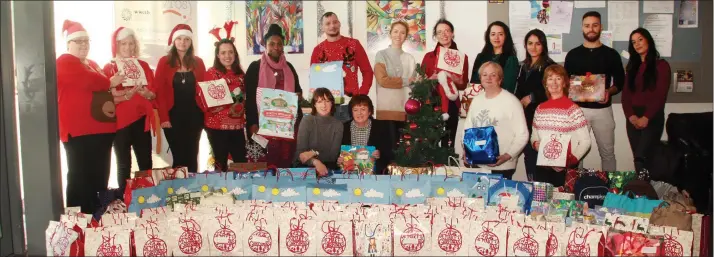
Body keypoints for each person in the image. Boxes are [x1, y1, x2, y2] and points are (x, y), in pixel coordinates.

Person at [57, 20, 122, 213]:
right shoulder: (64, 62)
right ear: (69, 43)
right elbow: (93, 82)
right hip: (79, 132)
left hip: (102, 131)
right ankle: (77, 219)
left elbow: (101, 89)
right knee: (79, 177)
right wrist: (109, 81)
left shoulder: (92, 64)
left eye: (86, 41)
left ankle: (96, 215)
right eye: (79, 41)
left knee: (99, 176)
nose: (84, 44)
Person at [564, 11, 625, 172]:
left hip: (603, 111)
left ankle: (611, 192)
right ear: (582, 28)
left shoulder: (611, 54)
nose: (591, 29)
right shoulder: (572, 55)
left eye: (595, 25)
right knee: (577, 153)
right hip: (578, 111)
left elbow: (620, 83)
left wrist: (609, 92)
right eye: (587, 25)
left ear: (601, 27)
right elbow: (565, 84)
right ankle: (576, 189)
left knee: (608, 153)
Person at [102, 27, 156, 189]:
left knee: (145, 162)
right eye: (123, 44)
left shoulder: (144, 66)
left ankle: (147, 197)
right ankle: (124, 198)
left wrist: (146, 93)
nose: (128, 47)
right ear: (117, 45)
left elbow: (153, 95)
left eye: (131, 43)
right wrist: (122, 93)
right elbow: (106, 99)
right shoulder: (109, 68)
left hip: (141, 120)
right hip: (120, 123)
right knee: (124, 164)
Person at [245, 24, 303, 168]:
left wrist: (296, 97)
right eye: (272, 44)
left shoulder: (289, 68)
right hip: (262, 126)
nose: (276, 47)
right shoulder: (255, 67)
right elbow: (250, 99)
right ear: (265, 45)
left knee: (285, 162)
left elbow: (299, 92)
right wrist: (253, 124)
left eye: (279, 44)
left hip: (286, 127)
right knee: (264, 164)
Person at [154, 24, 207, 173]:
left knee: (192, 155)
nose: (183, 42)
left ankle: (194, 190)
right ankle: (179, 191)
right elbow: (159, 92)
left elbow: (204, 89)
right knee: (179, 157)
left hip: (195, 116)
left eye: (186, 39)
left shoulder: (199, 62)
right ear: (173, 41)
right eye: (179, 39)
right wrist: (164, 117)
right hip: (173, 116)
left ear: (191, 42)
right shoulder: (164, 62)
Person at [463, 61, 528, 180]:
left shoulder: (511, 101)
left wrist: (507, 156)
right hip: (478, 164)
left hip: (502, 165)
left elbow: (522, 134)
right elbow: (468, 129)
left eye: (493, 75)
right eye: (484, 74)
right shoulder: (476, 100)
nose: (488, 78)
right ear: (480, 78)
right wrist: (466, 151)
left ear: (500, 79)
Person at [531, 64, 591, 187]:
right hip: (542, 167)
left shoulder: (573, 109)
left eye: (558, 78)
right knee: (540, 204)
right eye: (550, 78)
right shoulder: (539, 109)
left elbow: (585, 141)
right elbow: (534, 136)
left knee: (562, 204)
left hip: (564, 169)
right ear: (545, 83)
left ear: (564, 83)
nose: (554, 82)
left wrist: (571, 160)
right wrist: (536, 144)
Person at [200, 21, 248, 171]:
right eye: (223, 52)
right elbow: (205, 101)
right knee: (221, 165)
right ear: (218, 55)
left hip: (237, 127)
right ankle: (221, 194)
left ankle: (241, 192)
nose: (227, 56)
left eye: (230, 52)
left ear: (235, 54)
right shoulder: (211, 73)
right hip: (217, 128)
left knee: (241, 162)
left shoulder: (241, 74)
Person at [622, 28, 671, 172]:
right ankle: (643, 190)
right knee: (637, 158)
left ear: (648, 40)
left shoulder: (661, 65)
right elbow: (626, 95)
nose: (637, 44)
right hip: (632, 118)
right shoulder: (632, 67)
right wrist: (630, 115)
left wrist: (646, 117)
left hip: (652, 117)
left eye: (640, 40)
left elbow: (660, 95)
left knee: (644, 157)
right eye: (633, 42)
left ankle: (648, 190)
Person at [310, 12, 373, 122]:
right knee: (329, 139)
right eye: (328, 23)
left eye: (335, 22)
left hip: (350, 104)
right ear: (322, 27)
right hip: (327, 107)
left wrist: (361, 96)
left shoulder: (354, 44)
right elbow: (313, 78)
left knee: (350, 139)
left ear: (339, 24)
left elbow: (367, 71)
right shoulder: (317, 50)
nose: (332, 26)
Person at [420, 18, 470, 149]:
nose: (444, 34)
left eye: (447, 31)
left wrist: (453, 77)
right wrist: (432, 78)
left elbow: (463, 84)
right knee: (432, 142)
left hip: (452, 102)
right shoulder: (428, 57)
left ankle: (449, 167)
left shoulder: (462, 57)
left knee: (449, 142)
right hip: (432, 102)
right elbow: (422, 83)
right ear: (435, 36)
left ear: (452, 33)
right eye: (439, 32)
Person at [514, 29, 556, 181]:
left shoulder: (550, 66)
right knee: (529, 155)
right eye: (530, 43)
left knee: (542, 154)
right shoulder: (522, 67)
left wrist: (531, 97)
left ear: (543, 45)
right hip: (524, 118)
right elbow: (518, 90)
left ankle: (543, 190)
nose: (533, 47)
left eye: (537, 44)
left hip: (543, 118)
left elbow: (553, 89)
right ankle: (532, 187)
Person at [373, 21, 416, 147]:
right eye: (395, 31)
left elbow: (414, 85)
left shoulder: (410, 58)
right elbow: (383, 80)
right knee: (387, 151)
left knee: (403, 153)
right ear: (390, 34)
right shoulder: (381, 55)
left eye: (402, 33)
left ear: (406, 36)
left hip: (405, 111)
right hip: (386, 110)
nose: (399, 35)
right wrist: (406, 81)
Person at [338, 95, 393, 174]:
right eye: (355, 110)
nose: (359, 113)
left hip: (374, 174)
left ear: (369, 111)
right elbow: (337, 153)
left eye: (363, 109)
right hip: (349, 173)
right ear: (351, 112)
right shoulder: (343, 128)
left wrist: (379, 154)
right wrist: (339, 160)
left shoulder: (381, 127)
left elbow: (389, 153)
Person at [296, 88, 344, 176]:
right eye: (319, 102)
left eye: (327, 101)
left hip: (329, 168)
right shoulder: (307, 120)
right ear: (314, 104)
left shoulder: (338, 125)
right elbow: (300, 154)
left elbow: (332, 156)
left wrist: (313, 152)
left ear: (332, 103)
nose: (324, 105)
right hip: (306, 168)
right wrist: (315, 161)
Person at [471, 21, 519, 94]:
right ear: (488, 37)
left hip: (500, 99)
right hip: (480, 98)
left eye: (500, 34)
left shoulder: (511, 59)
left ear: (506, 37)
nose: (496, 37)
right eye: (493, 34)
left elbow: (508, 87)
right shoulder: (480, 57)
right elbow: (474, 82)